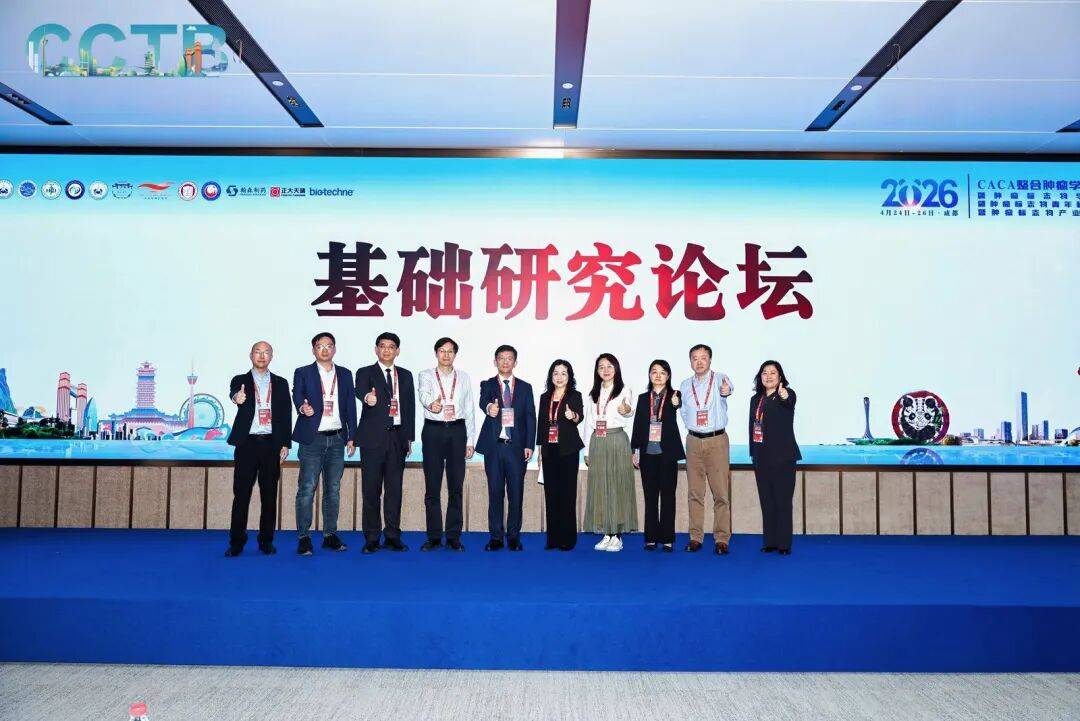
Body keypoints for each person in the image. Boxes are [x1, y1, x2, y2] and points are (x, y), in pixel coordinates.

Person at [291, 332, 357, 556]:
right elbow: (297, 395)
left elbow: (350, 406)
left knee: (333, 489)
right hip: (312, 439)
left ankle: (330, 534)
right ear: (314, 350)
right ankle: (304, 537)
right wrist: (302, 407)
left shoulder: (345, 374)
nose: (325, 350)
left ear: (334, 349)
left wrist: (352, 436)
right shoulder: (303, 372)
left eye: (329, 346)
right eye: (320, 346)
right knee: (307, 488)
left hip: (337, 439)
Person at [224, 341, 292, 557]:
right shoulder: (240, 380)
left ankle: (266, 541)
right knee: (241, 495)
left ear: (271, 356)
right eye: (258, 352)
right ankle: (237, 542)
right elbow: (234, 393)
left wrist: (285, 443)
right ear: (250, 355)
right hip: (247, 444)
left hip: (272, 444)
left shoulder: (280, 383)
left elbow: (286, 414)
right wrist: (237, 397)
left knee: (269, 495)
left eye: (266, 352)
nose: (262, 356)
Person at [355, 332, 416, 554]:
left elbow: (409, 407)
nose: (387, 350)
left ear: (397, 351)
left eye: (391, 347)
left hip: (397, 438)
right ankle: (372, 538)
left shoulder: (405, 375)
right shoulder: (365, 372)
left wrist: (409, 438)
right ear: (376, 349)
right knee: (371, 491)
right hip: (372, 440)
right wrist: (367, 398)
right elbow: (360, 390)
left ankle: (392, 536)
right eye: (382, 346)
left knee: (394, 490)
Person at [417, 337, 477, 552]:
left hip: (457, 431)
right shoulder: (425, 375)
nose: (446, 355)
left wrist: (470, 440)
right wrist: (430, 404)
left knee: (455, 487)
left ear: (455, 354)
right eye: (442, 351)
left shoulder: (463, 377)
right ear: (436, 353)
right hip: (433, 430)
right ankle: (434, 537)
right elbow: (423, 393)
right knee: (432, 487)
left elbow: (469, 409)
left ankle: (453, 536)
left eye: (450, 351)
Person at [476, 344, 535, 552]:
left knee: (516, 494)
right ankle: (496, 537)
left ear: (515, 362)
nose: (505, 362)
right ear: (495, 361)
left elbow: (530, 417)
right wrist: (489, 408)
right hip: (494, 448)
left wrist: (529, 445)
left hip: (516, 449)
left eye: (509, 358)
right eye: (501, 358)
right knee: (495, 493)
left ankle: (514, 537)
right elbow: (483, 401)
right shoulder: (488, 384)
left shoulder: (525, 387)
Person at [678, 343, 735, 555]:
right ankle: (695, 537)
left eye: (703, 358)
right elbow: (684, 412)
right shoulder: (685, 385)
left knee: (720, 493)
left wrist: (727, 391)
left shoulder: (720, 379)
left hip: (716, 440)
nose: (699, 362)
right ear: (690, 361)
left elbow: (728, 389)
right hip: (693, 441)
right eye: (695, 358)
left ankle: (722, 538)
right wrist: (693, 427)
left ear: (710, 360)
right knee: (695, 493)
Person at [582, 353, 637, 552]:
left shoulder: (624, 390)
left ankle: (617, 534)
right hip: (598, 441)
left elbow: (629, 410)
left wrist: (626, 409)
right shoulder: (592, 394)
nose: (605, 370)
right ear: (597, 371)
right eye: (601, 367)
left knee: (617, 486)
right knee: (601, 486)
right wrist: (587, 449)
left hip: (616, 440)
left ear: (616, 369)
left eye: (609, 366)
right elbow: (588, 424)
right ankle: (606, 532)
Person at [630, 359, 685, 552]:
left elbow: (677, 405)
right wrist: (634, 450)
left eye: (662, 372)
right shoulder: (643, 398)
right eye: (654, 371)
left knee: (668, 496)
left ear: (668, 376)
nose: (658, 375)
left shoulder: (674, 395)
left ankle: (668, 538)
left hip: (667, 454)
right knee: (650, 497)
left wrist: (676, 403)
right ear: (649, 375)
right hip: (647, 454)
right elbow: (637, 425)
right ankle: (651, 538)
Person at [749, 360, 801, 556]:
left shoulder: (786, 394)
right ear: (760, 377)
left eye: (773, 372)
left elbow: (789, 401)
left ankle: (784, 544)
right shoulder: (756, 399)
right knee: (767, 502)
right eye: (765, 372)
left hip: (783, 458)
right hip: (761, 458)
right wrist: (753, 454)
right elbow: (752, 428)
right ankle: (770, 541)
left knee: (783, 501)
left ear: (780, 377)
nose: (768, 376)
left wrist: (785, 396)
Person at [535, 359, 584, 551]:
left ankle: (568, 539)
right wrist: (540, 452)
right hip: (549, 450)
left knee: (567, 494)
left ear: (569, 376)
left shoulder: (575, 395)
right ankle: (553, 538)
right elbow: (541, 425)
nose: (559, 377)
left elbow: (579, 417)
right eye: (556, 373)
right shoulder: (544, 397)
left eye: (564, 373)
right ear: (551, 376)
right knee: (551, 494)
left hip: (568, 450)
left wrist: (573, 416)